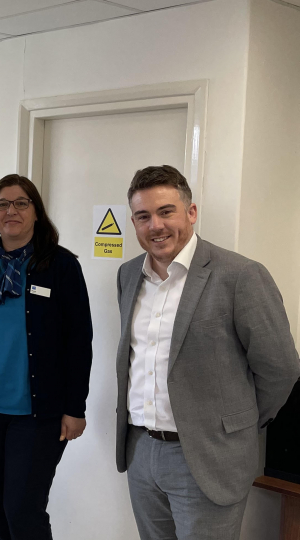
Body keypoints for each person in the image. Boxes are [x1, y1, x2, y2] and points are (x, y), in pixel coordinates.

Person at [116, 165, 300, 540]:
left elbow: (280, 370)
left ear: (191, 212)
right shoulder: (128, 275)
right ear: (134, 222)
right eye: (143, 216)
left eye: (166, 211)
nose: (156, 226)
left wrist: (235, 423)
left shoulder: (240, 275)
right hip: (141, 451)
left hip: (207, 457)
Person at [0, 174, 93, 540]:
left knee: (23, 510)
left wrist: (76, 406)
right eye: (2, 204)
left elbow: (80, 341)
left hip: (37, 415)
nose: (11, 211)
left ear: (36, 213)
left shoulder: (61, 267)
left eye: (21, 203)